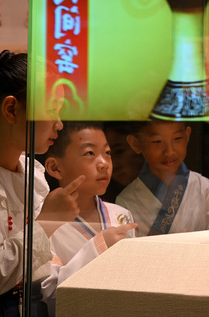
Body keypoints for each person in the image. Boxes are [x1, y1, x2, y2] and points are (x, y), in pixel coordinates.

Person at [0, 50, 79, 316]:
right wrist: (46, 222)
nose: (59, 124)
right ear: (11, 109)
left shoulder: (33, 174)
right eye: (50, 110)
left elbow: (43, 265)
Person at [40, 122, 137, 314]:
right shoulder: (46, 222)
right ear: (55, 167)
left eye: (107, 153)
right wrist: (99, 246)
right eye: (90, 154)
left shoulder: (121, 215)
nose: (104, 163)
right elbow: (52, 295)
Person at [116, 120, 209, 237]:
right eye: (157, 141)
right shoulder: (126, 200)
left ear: (187, 135)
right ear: (135, 143)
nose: (169, 151)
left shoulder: (204, 187)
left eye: (177, 138)